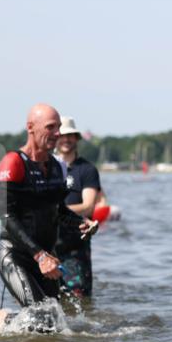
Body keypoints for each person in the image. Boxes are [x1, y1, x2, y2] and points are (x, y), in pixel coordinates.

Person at [0, 104, 97, 308]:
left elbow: (57, 210)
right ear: (31, 127)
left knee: (56, 322)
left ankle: (2, 323)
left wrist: (81, 223)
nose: (57, 133)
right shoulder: (13, 162)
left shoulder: (58, 166)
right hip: (16, 255)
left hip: (48, 257)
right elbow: (6, 216)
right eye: (51, 127)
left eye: (58, 127)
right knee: (42, 317)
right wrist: (39, 255)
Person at [54, 116, 102, 297]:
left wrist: (54, 211)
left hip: (76, 245)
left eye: (70, 136)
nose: (66, 140)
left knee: (80, 298)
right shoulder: (47, 167)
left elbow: (89, 207)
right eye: (62, 135)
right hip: (48, 245)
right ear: (55, 138)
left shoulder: (87, 169)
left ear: (77, 139)